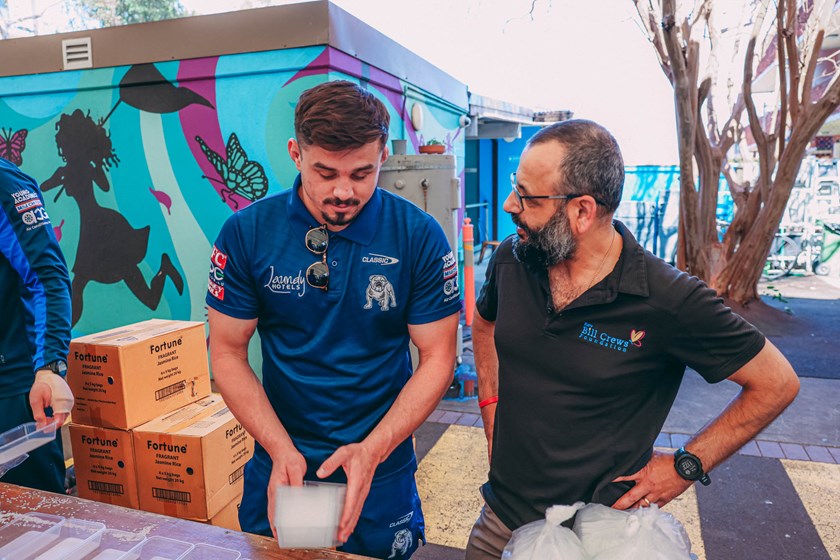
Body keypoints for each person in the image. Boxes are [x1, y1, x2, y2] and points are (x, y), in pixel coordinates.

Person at [466, 119, 800, 559]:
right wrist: (490, 406)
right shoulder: (513, 258)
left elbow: (777, 383)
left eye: (527, 197)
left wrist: (685, 467)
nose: (511, 204)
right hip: (502, 521)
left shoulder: (668, 298)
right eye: (516, 187)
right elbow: (484, 325)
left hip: (601, 539)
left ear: (582, 211)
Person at [206, 80, 460, 559]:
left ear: (383, 156)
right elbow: (226, 351)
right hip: (289, 466)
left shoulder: (418, 236)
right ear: (295, 154)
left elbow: (439, 355)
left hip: (379, 468)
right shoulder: (247, 233)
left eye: (362, 174)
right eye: (325, 173)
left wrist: (375, 448)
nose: (344, 192)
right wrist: (280, 448)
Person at [0, 157, 74, 493]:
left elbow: (47, 278)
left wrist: (49, 368)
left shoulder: (6, 185)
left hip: (12, 393)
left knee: (37, 524)